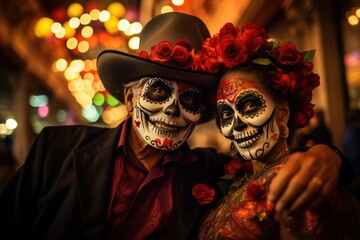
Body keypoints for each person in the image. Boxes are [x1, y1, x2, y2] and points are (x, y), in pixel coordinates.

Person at [0, 12, 353, 239]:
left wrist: (329, 155)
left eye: (190, 101)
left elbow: (275, 166)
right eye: (157, 92)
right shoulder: (57, 150)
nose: (171, 113)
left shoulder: (210, 172)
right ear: (128, 99)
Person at [196, 22, 360, 239]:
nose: (237, 124)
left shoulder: (298, 181)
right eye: (226, 114)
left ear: (282, 113)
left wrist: (326, 155)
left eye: (250, 105)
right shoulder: (236, 175)